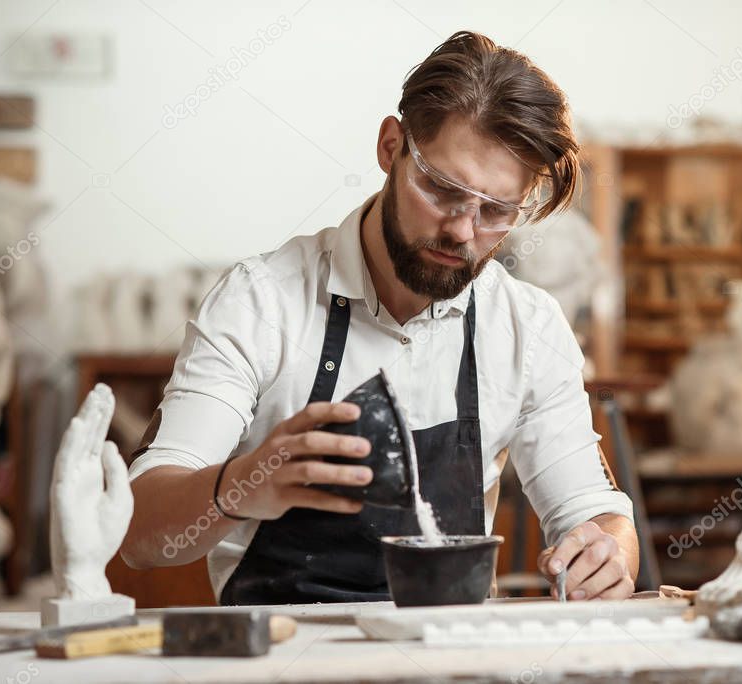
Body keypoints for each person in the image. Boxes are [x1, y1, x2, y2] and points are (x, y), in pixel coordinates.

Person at [120, 30, 638, 604]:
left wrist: (607, 552)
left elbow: (595, 513)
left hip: (454, 656)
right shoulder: (261, 302)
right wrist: (242, 484)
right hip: (288, 656)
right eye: (442, 190)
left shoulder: (527, 326)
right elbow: (141, 535)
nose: (464, 231)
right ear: (391, 146)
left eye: (496, 211)